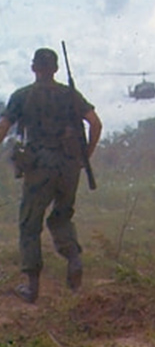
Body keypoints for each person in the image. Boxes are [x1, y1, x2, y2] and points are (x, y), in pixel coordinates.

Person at [0, 48, 102, 304]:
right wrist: (84, 156)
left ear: (34, 68)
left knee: (29, 224)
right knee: (62, 216)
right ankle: (74, 259)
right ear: (55, 69)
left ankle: (32, 287)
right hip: (69, 166)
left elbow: (3, 127)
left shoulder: (22, 96)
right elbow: (95, 123)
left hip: (39, 167)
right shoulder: (71, 95)